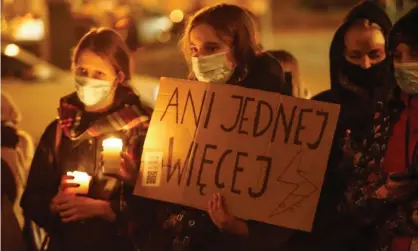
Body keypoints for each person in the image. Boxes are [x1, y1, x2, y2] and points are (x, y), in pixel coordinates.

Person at [129, 4, 294, 251]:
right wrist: (140, 178)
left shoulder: (276, 114)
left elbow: (289, 207)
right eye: (194, 49)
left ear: (239, 49)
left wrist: (238, 228)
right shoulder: (186, 108)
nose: (200, 59)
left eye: (212, 48)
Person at [275, 2, 395, 251]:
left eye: (375, 55)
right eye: (354, 56)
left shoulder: (406, 109)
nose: (365, 65)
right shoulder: (322, 109)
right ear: (340, 55)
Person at [20, 27, 150, 251]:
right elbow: (31, 199)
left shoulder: (141, 129)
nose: (88, 80)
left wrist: (106, 209)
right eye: (82, 70)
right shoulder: (60, 129)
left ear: (118, 77)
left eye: (99, 74)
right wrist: (54, 203)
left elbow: (158, 211)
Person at [340, 7, 418, 251]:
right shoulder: (389, 112)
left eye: (415, 54)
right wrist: (384, 194)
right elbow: (356, 200)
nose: (405, 65)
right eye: (397, 56)